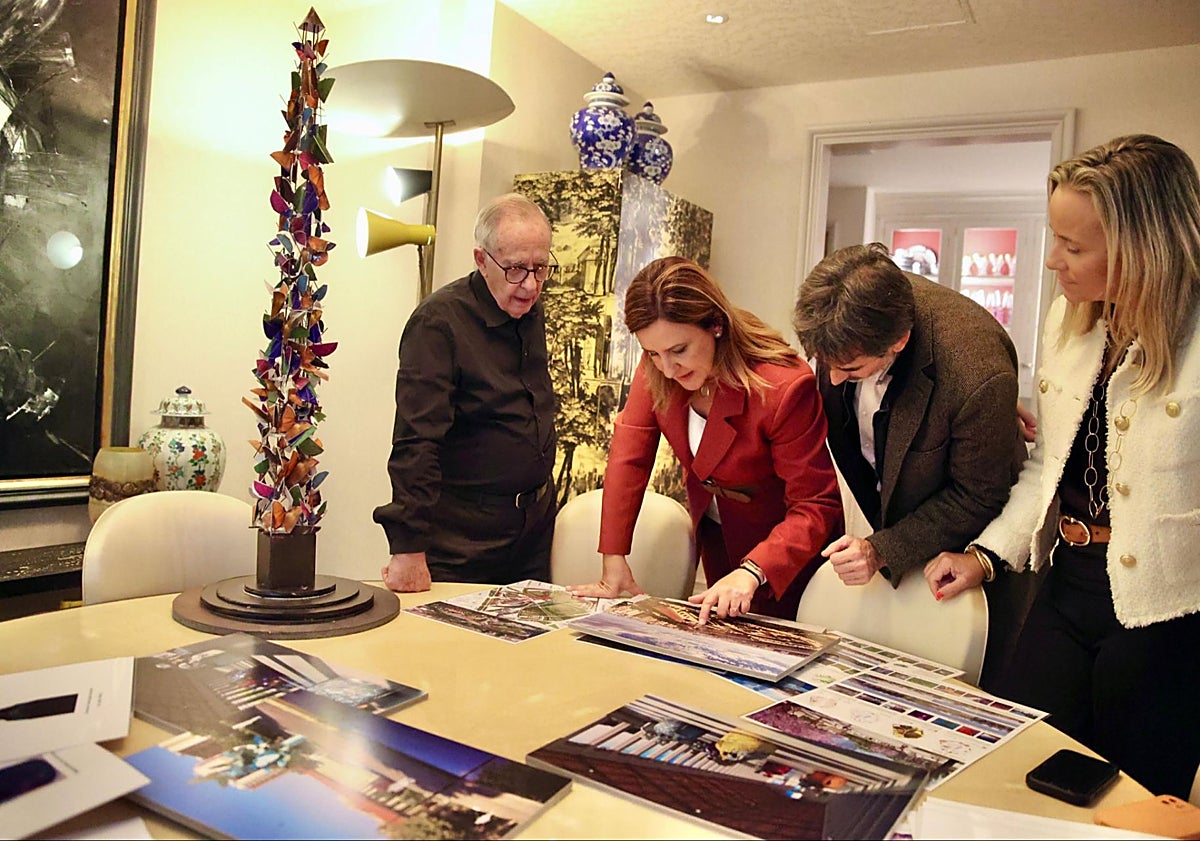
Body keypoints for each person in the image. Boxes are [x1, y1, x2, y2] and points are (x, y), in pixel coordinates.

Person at [924, 134, 1200, 799]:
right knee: (1018, 770)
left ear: (1143, 249)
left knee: (1130, 798)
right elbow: (1050, 462)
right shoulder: (1068, 321)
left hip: (1168, 608)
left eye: (1074, 247)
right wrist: (988, 553)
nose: (1053, 262)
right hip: (1069, 581)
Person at [792, 243, 1031, 686]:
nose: (834, 378)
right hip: (900, 539)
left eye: (849, 367)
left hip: (973, 559)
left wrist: (882, 547)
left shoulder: (976, 373)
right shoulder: (843, 327)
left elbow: (978, 494)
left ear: (898, 341)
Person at [569, 256, 842, 622]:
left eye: (679, 350)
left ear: (715, 325)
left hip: (785, 554)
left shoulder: (783, 385)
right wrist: (613, 558)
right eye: (652, 353)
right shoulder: (660, 364)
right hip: (718, 536)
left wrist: (754, 571)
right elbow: (629, 457)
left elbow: (815, 503)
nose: (667, 368)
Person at [373, 193, 557, 591]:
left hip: (533, 530)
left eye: (540, 267)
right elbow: (416, 441)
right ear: (481, 259)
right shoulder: (437, 324)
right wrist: (408, 548)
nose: (530, 284)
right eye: (515, 269)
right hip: (462, 540)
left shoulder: (529, 309)